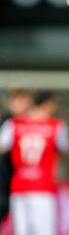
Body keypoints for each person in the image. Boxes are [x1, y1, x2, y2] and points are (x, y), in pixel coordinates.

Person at [0, 91, 69, 235]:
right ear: (49, 104)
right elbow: (64, 149)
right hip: (43, 189)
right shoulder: (56, 126)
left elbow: (2, 147)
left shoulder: (13, 124)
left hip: (19, 187)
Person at [0, 89, 34, 225]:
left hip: (24, 178)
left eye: (22, 101)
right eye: (15, 101)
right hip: (4, 177)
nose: (18, 105)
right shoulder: (6, 123)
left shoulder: (34, 123)